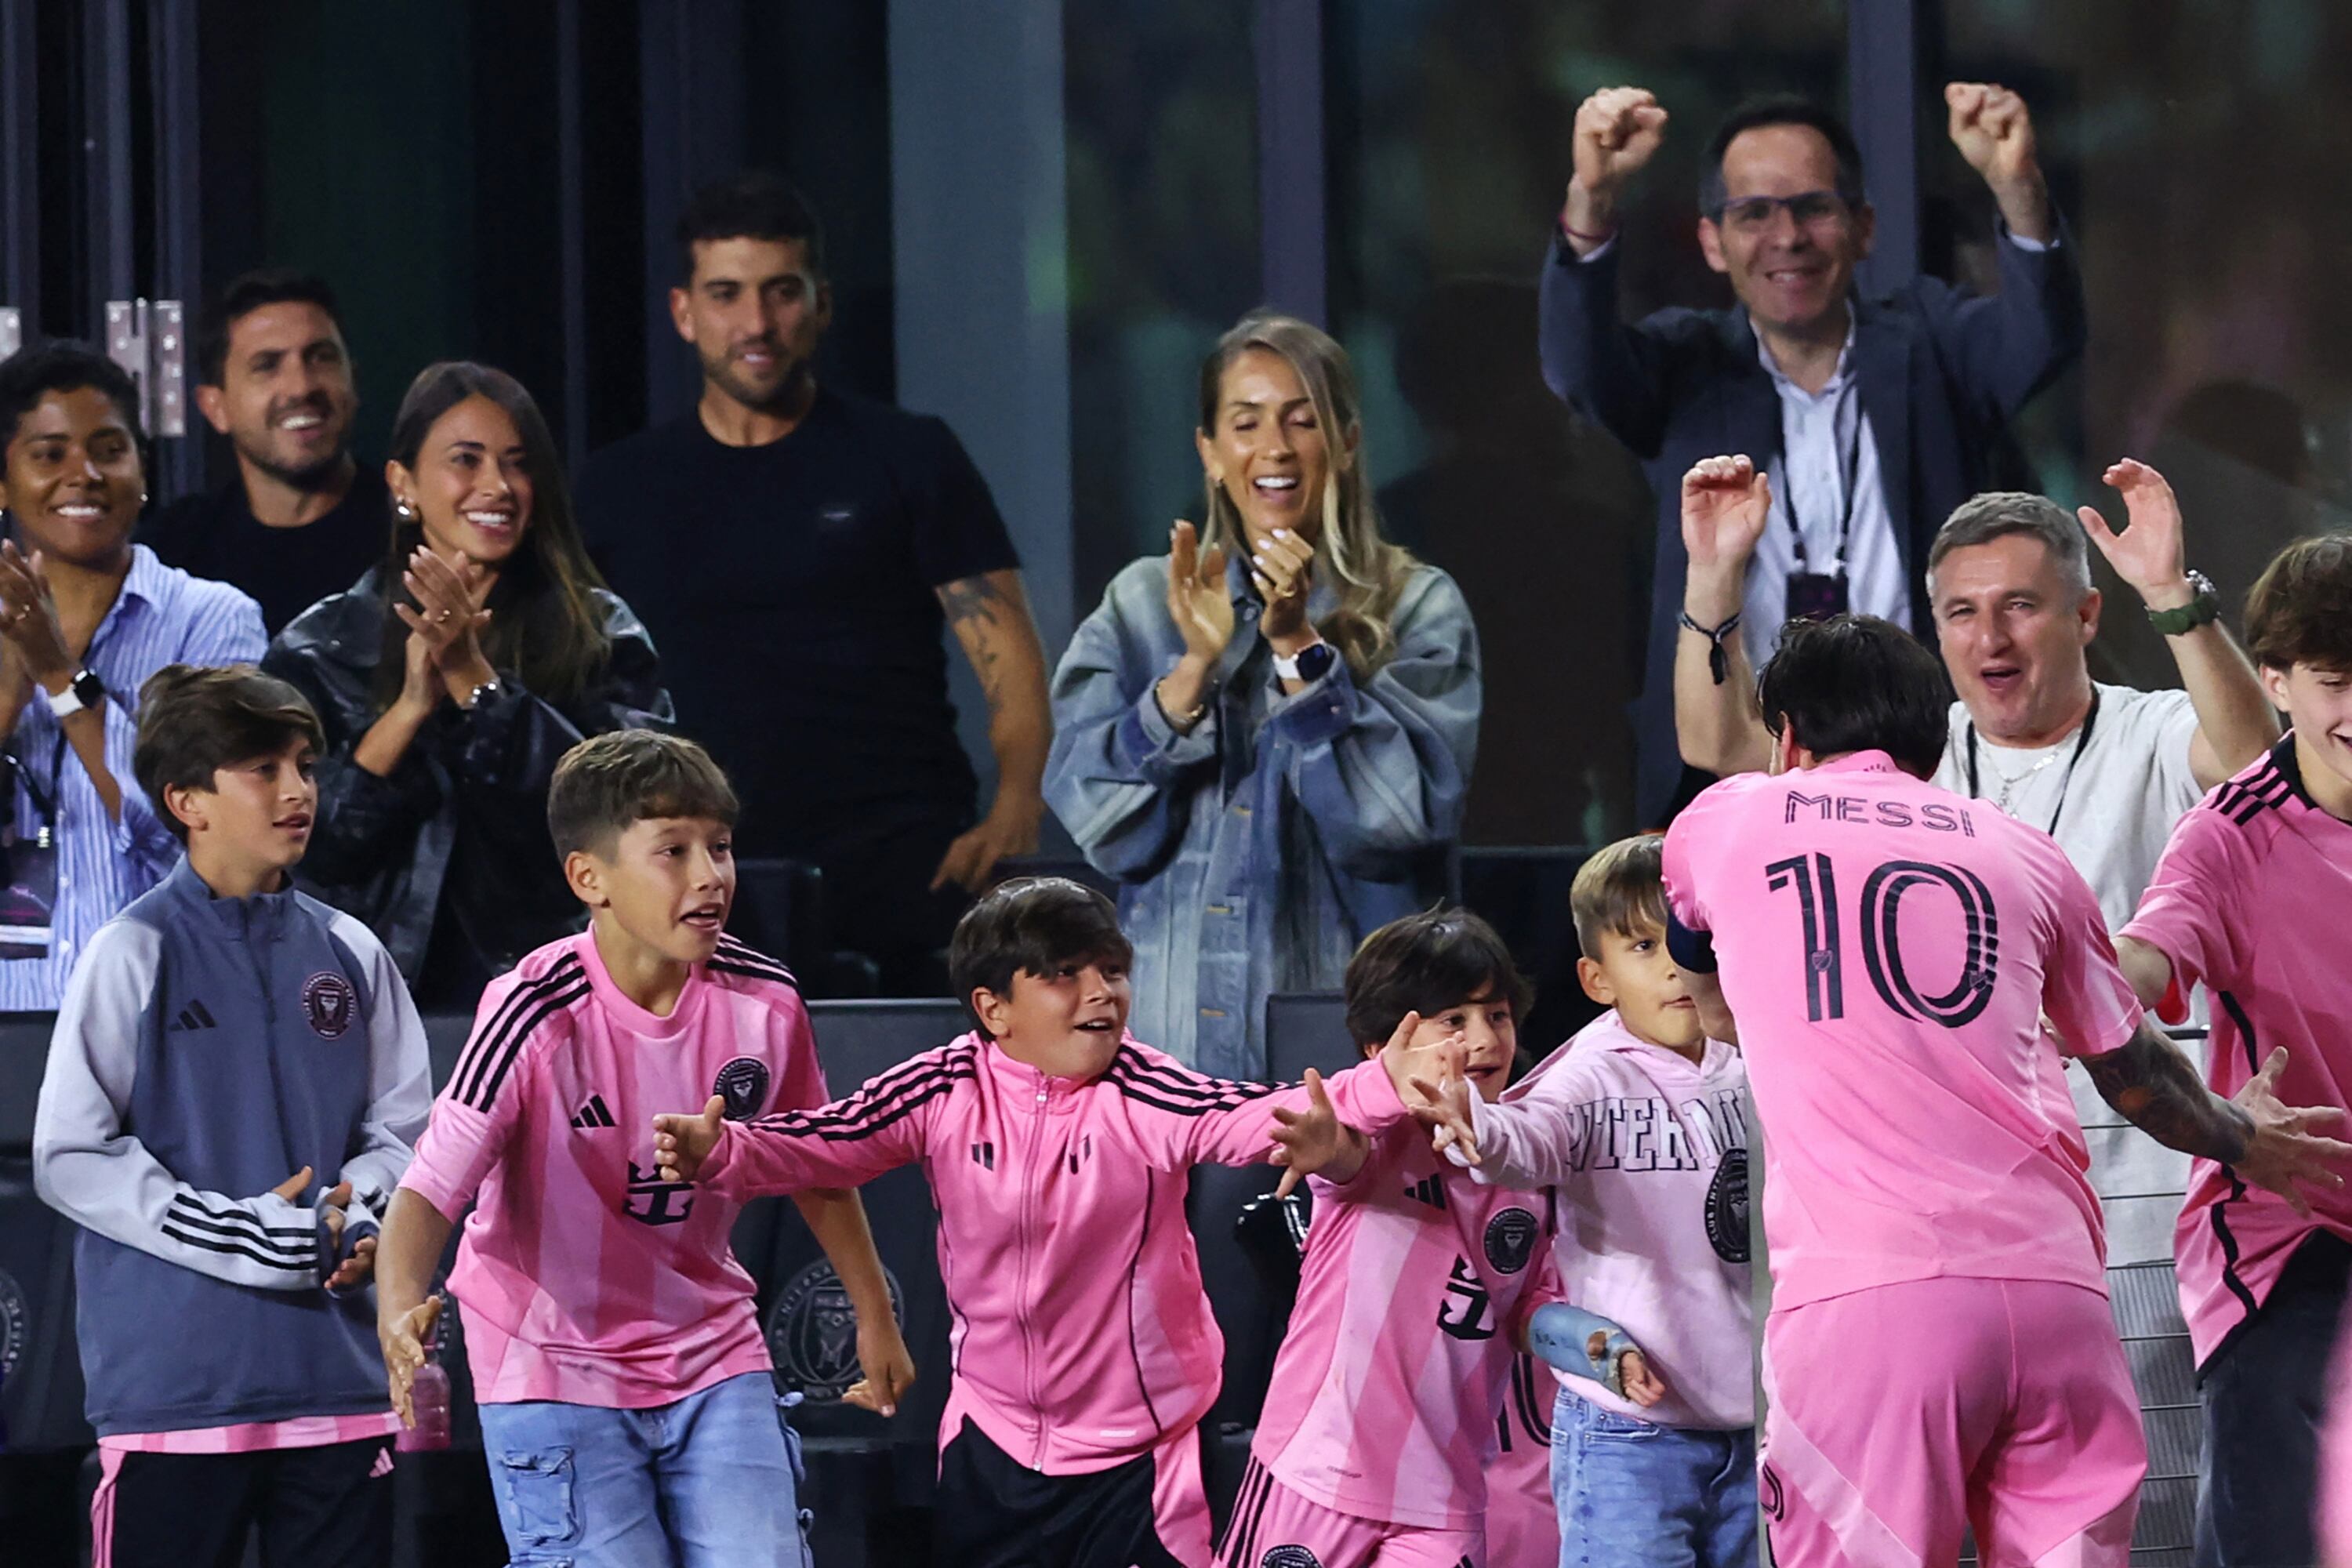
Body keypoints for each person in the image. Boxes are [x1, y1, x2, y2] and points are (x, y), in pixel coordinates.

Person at [1656, 604, 2346, 1566]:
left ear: (1787, 736)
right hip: (2058, 1301)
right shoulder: (2026, 851)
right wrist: (2244, 1137)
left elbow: (1699, 973)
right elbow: (2136, 1071)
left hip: (1870, 1308)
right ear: (1935, 739)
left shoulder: (1732, 817)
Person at [650, 876, 1432, 1568]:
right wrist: (722, 1149)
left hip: (1140, 1465)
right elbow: (828, 1142)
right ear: (994, 1007)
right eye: (1065, 974)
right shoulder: (943, 1083)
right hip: (993, 1448)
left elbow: (1255, 1112)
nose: (1101, 992)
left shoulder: (1145, 1090)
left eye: (1112, 971)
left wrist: (1374, 1089)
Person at [372, 729, 913, 1568]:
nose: (710, 875)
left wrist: (874, 1313)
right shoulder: (529, 1009)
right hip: (549, 1359)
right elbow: (431, 1187)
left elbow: (815, 1164)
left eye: (721, 847)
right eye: (673, 850)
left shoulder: (767, 1000)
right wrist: (399, 1299)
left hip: (711, 1345)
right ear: (591, 878)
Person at [1541, 83, 2085, 822]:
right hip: (1735, 772)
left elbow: (2040, 342)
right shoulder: (1684, 366)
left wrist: (2014, 183)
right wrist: (1594, 197)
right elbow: (1577, 368)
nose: (1787, 236)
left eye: (1814, 207)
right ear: (1712, 240)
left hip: (1927, 769)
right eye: (1754, 212)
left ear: (1862, 227)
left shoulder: (1931, 343)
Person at [574, 172, 1051, 993]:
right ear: (684, 312)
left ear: (821, 304)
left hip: (905, 864)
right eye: (727, 294)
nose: (756, 323)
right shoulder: (616, 489)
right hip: (693, 875)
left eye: (781, 292)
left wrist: (1013, 810)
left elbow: (1007, 652)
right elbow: (570, 691)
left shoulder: (909, 454)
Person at [32, 663, 430, 1568]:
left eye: (304, 764)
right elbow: (70, 1154)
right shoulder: (131, 950)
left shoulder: (353, 950)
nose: (297, 790)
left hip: (341, 1384)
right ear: (186, 800)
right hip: (177, 1395)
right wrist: (248, 1233)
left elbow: (408, 1134)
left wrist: (353, 1207)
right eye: (263, 767)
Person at [1047, 312, 1481, 1077]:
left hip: (1348, 1057)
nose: (1274, 447)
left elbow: (1395, 820)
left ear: (1346, 441)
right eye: (1246, 423)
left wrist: (1297, 652)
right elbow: (1097, 820)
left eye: (1302, 420)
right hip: (1164, 1050)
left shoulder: (1417, 605)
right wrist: (1193, 668)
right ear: (1210, 451)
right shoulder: (1144, 603)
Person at [1216, 906, 1657, 1568]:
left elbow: (1526, 1306)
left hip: (1446, 1501)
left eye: (1498, 1015)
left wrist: (1596, 1347)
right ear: (1381, 1048)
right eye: (1454, 1020)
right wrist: (1318, 1141)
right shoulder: (1376, 1140)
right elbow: (1340, 1151)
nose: (1483, 1040)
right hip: (1316, 1474)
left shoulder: (1532, 1158)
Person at [265, 361, 673, 1007]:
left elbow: (631, 823)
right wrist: (407, 712)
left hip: (559, 997)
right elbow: (300, 852)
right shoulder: (322, 647)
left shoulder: (600, 635)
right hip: (363, 1003)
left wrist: (473, 678)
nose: (498, 486)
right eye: (467, 460)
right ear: (404, 483)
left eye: (517, 463)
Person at [2112, 533, 2352, 1567]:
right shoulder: (2231, 830)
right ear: (2277, 683)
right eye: (2340, 683)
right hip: (2287, 1237)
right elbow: (2139, 966)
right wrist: (2076, 982)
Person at [1428, 836, 1754, 1568]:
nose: (1675, 962)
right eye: (1642, 945)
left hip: (1758, 1430)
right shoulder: (1587, 1076)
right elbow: (1524, 1137)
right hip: (1629, 1437)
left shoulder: (1755, 1052)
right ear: (1596, 978)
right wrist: (1472, 1124)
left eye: (1689, 939)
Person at [0, 341, 268, 1009]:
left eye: (109, 449)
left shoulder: (212, 622)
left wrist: (60, 676)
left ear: (143, 470)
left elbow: (210, 835)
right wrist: (8, 697)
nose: (83, 473)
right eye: (49, 454)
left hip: (169, 1017)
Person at [141, 270, 386, 635]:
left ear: (354, 380)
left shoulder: (415, 537)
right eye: (267, 366)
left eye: (320, 357)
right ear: (214, 406)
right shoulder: (173, 556)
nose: (300, 386)